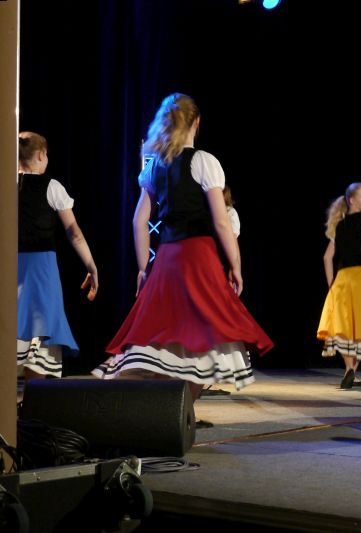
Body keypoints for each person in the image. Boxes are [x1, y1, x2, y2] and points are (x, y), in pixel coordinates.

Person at [93, 93, 273, 423]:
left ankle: (174, 415)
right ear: (196, 123)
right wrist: (236, 264)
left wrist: (143, 268)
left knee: (168, 335)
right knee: (206, 335)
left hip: (167, 258)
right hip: (198, 256)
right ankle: (178, 414)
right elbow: (221, 221)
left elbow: (138, 221)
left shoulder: (155, 167)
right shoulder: (203, 161)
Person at [17, 132, 98, 383]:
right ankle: (31, 400)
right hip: (42, 269)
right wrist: (91, 265)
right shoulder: (52, 187)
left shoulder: (6, 183)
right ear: (41, 156)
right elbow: (74, 233)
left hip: (12, 264)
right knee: (42, 327)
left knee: (14, 322)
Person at [317, 182, 361, 389]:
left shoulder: (338, 224)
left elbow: (327, 257)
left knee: (345, 327)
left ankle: (349, 370)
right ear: (352, 200)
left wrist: (331, 284)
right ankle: (351, 371)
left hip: (343, 279)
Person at [201, 184, 242, 397]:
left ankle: (203, 376)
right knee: (212, 322)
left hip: (203, 267)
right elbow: (232, 243)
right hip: (214, 269)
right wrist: (236, 269)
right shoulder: (227, 213)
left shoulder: (202, 211)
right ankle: (204, 377)